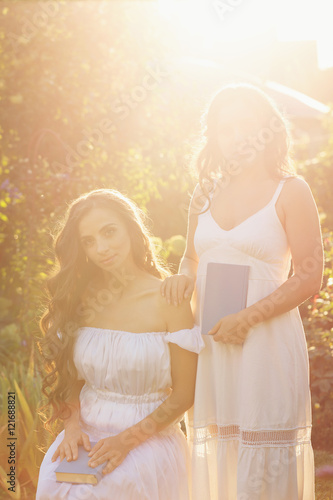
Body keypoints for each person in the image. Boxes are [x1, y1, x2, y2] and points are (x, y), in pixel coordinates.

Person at [160, 83, 324, 499]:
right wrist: (182, 276)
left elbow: (309, 275)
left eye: (247, 126)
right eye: (226, 128)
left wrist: (247, 316)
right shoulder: (204, 193)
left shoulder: (291, 190)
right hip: (214, 344)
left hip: (265, 344)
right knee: (220, 451)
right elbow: (192, 259)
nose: (238, 137)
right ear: (213, 136)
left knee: (263, 459)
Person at [36, 188, 205, 500]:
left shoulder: (168, 298)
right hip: (84, 437)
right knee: (53, 485)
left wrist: (125, 441)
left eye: (109, 232)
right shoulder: (80, 299)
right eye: (88, 241)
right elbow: (71, 380)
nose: (101, 248)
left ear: (132, 228)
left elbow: (184, 394)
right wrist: (71, 426)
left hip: (147, 438)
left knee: (109, 491)